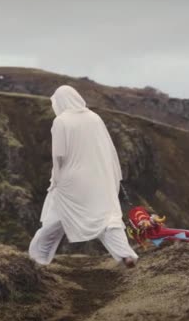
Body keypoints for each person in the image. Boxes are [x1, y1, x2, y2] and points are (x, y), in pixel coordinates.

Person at [29, 85, 138, 268]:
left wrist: (55, 179)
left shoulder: (61, 121)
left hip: (71, 179)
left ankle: (37, 259)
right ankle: (126, 255)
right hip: (98, 177)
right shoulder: (94, 118)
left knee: (55, 218)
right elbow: (106, 150)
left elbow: (59, 156)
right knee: (107, 216)